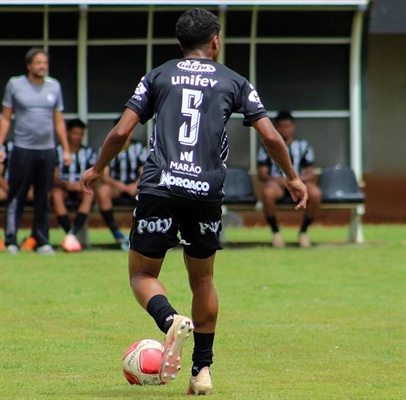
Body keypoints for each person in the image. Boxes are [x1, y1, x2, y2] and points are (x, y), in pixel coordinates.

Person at [81, 8, 308, 396]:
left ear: (180, 42)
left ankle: (169, 319)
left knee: (142, 275)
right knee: (203, 278)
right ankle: (201, 372)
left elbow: (122, 131)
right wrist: (291, 176)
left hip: (160, 187)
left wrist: (97, 168)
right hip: (205, 191)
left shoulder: (159, 75)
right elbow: (271, 137)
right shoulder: (233, 80)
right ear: (215, 41)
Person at [0, 47, 71, 255]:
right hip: (22, 149)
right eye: (38, 63)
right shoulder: (15, 84)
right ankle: (11, 240)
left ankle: (42, 240)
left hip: (47, 150)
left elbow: (58, 120)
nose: (42, 66)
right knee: (17, 195)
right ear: (29, 65)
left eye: (45, 63)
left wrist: (65, 149)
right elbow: (5, 118)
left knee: (43, 196)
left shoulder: (54, 86)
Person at [257, 111, 321, 248]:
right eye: (281, 126)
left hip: (299, 182)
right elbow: (262, 174)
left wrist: (296, 180)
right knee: (267, 192)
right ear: (275, 127)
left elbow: (310, 173)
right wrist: (282, 180)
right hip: (277, 184)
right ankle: (276, 233)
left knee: (315, 193)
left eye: (287, 126)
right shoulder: (268, 145)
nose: (284, 130)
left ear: (293, 127)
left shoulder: (303, 146)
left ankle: (304, 231)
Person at [96, 118, 148, 250]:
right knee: (102, 191)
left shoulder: (139, 148)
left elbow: (144, 172)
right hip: (115, 186)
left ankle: (140, 232)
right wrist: (118, 184)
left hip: (135, 186)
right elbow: (104, 176)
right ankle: (116, 233)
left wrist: (136, 184)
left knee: (148, 192)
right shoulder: (107, 147)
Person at [52, 118, 97, 252]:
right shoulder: (57, 151)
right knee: (56, 194)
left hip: (81, 188)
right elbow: (53, 176)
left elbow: (94, 175)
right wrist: (65, 184)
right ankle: (70, 234)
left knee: (89, 193)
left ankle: (73, 234)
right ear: (67, 133)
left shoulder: (88, 153)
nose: (78, 137)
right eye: (75, 133)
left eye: (80, 134)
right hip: (62, 187)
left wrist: (81, 184)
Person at [0, 140, 36, 251]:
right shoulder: (7, 148)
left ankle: (35, 238)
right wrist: (11, 190)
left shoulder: (37, 149)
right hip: (8, 188)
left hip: (25, 188)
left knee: (42, 197)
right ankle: (7, 240)